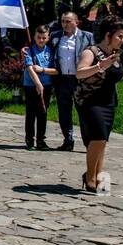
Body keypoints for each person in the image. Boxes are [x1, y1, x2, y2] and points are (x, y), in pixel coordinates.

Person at [75, 14, 123, 193]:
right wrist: (100, 65)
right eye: (119, 36)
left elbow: (112, 78)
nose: (122, 40)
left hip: (108, 102)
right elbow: (80, 73)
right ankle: (90, 177)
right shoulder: (91, 52)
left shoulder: (114, 55)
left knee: (102, 140)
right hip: (91, 101)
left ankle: (97, 176)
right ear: (108, 35)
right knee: (97, 138)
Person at [47, 11, 94, 151]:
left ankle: (89, 143)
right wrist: (28, 50)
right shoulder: (55, 36)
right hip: (62, 80)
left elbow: (96, 54)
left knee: (84, 112)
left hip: (80, 79)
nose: (65, 24)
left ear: (76, 22)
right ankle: (68, 140)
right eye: (63, 21)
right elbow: (44, 48)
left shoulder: (87, 36)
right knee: (64, 112)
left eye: (68, 21)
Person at [23, 24, 55, 151]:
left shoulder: (50, 51)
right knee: (31, 113)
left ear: (48, 37)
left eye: (43, 38)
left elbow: (56, 69)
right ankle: (29, 140)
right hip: (31, 85)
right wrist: (37, 83)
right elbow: (30, 68)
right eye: (38, 37)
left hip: (46, 85)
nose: (41, 40)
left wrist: (43, 72)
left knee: (43, 112)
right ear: (34, 37)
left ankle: (41, 140)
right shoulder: (29, 50)